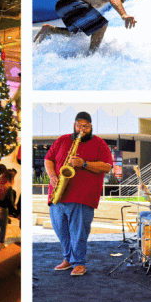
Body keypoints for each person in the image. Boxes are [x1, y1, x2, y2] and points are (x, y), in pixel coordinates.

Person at [44, 111, 114, 276]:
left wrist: (84, 164)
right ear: (74, 125)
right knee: (60, 229)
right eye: (78, 125)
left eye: (85, 126)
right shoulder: (62, 140)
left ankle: (79, 262)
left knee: (78, 231)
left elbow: (107, 167)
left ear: (91, 126)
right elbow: (49, 159)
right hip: (57, 194)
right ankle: (68, 258)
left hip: (82, 196)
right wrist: (53, 175)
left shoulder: (99, 143)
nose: (81, 129)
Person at [33, 0, 136, 53]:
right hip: (69, 0)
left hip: (61, 5)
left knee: (77, 34)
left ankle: (50, 30)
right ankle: (91, 56)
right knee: (102, 25)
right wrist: (124, 15)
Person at [0, 168, 17, 250]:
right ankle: (0, 245)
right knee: (3, 228)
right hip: (3, 209)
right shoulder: (9, 188)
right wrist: (15, 213)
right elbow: (10, 203)